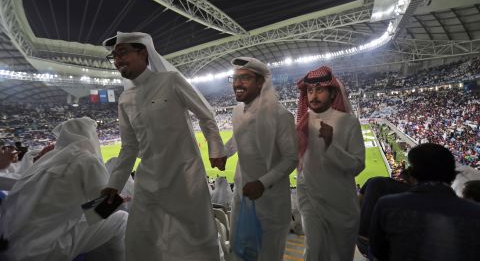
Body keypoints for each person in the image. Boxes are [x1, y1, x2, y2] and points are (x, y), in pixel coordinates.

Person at [100, 32, 227, 261]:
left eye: (122, 53)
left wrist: (216, 149)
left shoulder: (170, 81)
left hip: (185, 176)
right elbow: (129, 147)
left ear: (142, 53)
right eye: (114, 57)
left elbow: (206, 115)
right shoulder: (125, 100)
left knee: (194, 241)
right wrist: (114, 184)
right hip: (148, 180)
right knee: (141, 240)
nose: (117, 60)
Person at [0, 117, 127, 261]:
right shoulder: (87, 160)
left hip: (11, 246)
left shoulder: (44, 160)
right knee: (121, 218)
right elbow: (103, 207)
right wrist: (120, 199)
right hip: (42, 250)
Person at [225, 57, 298, 260]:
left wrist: (262, 183)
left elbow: (291, 158)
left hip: (271, 203)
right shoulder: (237, 111)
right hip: (241, 195)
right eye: (235, 78)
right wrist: (223, 153)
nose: (237, 84)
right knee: (239, 252)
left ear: (261, 82)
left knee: (268, 255)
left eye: (245, 78)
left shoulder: (281, 116)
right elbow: (240, 136)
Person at [295, 66, 365, 261]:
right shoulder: (302, 123)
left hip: (341, 204)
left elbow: (358, 165)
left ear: (332, 92)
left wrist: (330, 144)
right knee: (314, 251)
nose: (313, 95)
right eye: (309, 91)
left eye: (319, 89)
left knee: (339, 255)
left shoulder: (349, 122)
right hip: (310, 199)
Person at [370, 143, 480, 261]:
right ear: (452, 174)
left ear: (412, 173)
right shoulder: (475, 213)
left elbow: (377, 252)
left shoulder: (387, 205)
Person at [357, 169, 414, 256]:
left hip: (360, 240)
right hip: (380, 246)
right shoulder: (410, 193)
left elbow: (357, 204)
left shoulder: (374, 180)